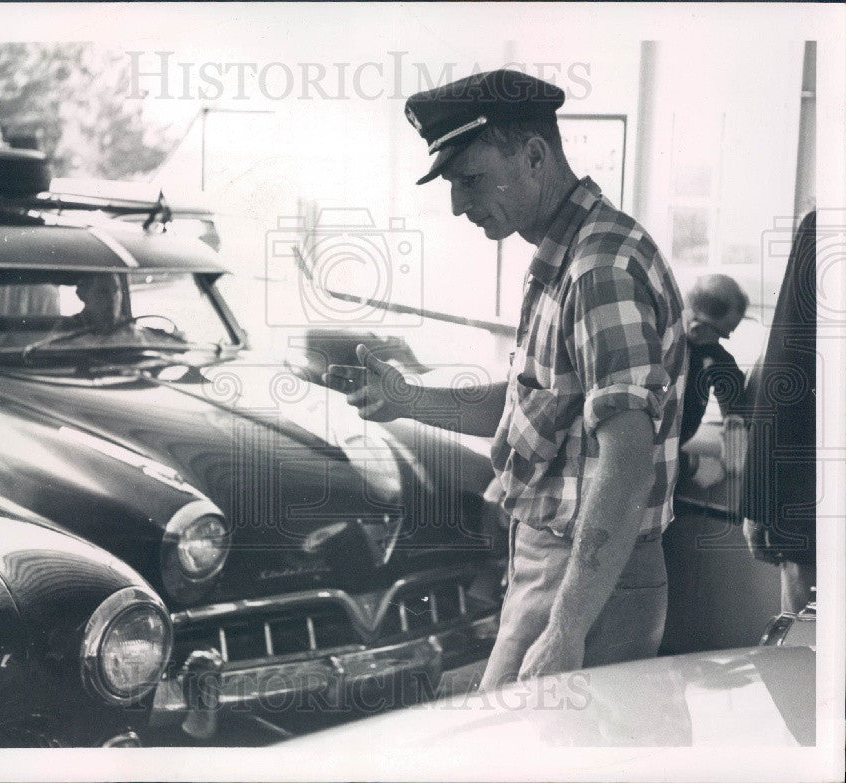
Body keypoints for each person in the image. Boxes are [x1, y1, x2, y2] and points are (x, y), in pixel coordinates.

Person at [325, 70, 687, 687]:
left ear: (535, 156)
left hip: (584, 579)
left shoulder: (598, 268)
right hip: (561, 569)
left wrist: (568, 629)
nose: (458, 204)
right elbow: (536, 408)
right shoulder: (567, 257)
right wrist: (406, 399)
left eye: (469, 179)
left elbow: (626, 456)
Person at [742, 210, 817, 612]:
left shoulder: (826, 226)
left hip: (815, 509)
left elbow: (787, 368)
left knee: (807, 651)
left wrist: (760, 504)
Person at [679, 274, 749, 477]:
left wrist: (734, 456)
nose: (720, 340)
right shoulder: (658, 344)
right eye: (723, 333)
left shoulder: (715, 357)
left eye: (725, 334)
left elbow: (733, 407)